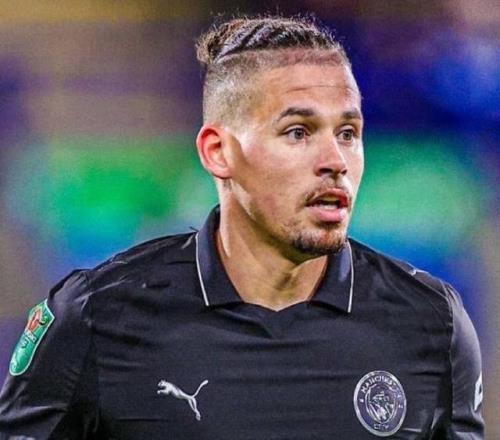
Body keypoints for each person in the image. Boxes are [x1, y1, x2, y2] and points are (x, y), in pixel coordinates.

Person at [0, 15, 484, 439]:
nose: (335, 160)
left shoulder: (432, 323)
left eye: (348, 133)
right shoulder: (95, 317)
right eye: (298, 132)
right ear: (218, 152)